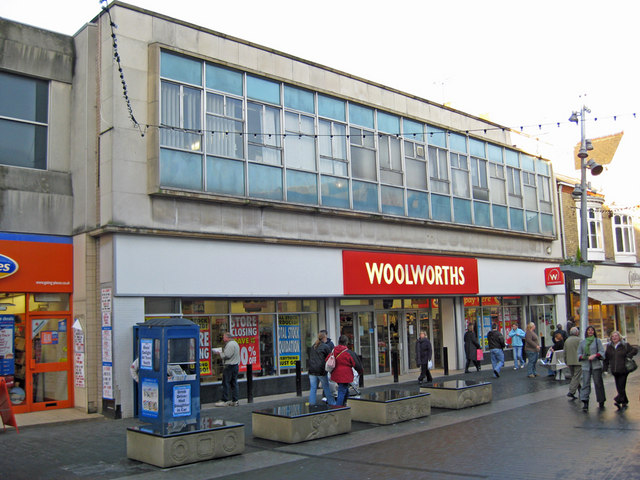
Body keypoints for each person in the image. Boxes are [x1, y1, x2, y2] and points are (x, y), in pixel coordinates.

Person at [603, 331, 638, 409]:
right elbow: (606, 358)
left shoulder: (624, 345)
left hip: (623, 370)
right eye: (613, 336)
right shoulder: (609, 346)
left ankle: (618, 400)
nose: (614, 337)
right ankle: (624, 401)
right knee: (619, 387)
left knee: (621, 386)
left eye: (616, 336)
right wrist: (605, 369)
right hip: (614, 370)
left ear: (619, 337)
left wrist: (628, 355)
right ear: (611, 338)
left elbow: (635, 350)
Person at [577, 325, 605, 411]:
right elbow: (579, 354)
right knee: (585, 383)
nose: (590, 332)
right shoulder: (582, 342)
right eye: (588, 330)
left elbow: (602, 351)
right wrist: (584, 357)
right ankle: (585, 402)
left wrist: (595, 355)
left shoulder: (597, 341)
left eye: (592, 330)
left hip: (596, 365)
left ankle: (601, 401)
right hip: (586, 366)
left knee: (598, 383)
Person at [307, 331, 335, 405]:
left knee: (313, 388)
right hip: (321, 370)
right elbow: (330, 357)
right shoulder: (325, 347)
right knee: (326, 387)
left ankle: (311, 404)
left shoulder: (313, 346)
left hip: (312, 370)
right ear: (324, 338)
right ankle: (332, 402)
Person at [214, 332, 240, 407]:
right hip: (235, 365)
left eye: (224, 337)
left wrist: (220, 353)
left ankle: (224, 400)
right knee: (234, 383)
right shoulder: (235, 343)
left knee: (226, 383)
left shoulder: (230, 344)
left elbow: (227, 355)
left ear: (228, 337)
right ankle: (235, 400)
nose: (223, 338)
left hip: (229, 366)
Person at [330, 335, 357, 406]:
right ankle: (339, 408)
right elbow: (354, 363)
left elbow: (328, 360)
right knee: (341, 391)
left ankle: (347, 403)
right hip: (345, 375)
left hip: (336, 374)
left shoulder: (334, 350)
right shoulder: (348, 352)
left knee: (344, 388)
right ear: (346, 342)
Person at [564, 327, 582, 400]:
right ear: (577, 333)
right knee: (576, 377)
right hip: (578, 361)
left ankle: (580, 390)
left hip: (570, 361)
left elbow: (564, 352)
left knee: (574, 376)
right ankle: (571, 391)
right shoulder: (579, 340)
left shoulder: (567, 341)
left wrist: (566, 361)